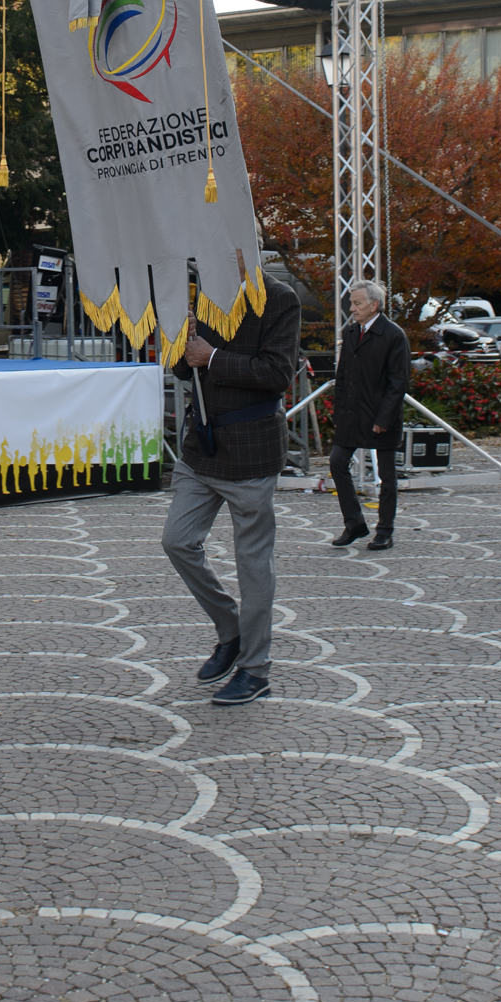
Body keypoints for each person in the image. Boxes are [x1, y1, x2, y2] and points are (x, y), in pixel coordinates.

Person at [166, 269, 303, 707]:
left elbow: (277, 373)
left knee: (253, 565)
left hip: (251, 451)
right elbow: (184, 369)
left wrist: (213, 357)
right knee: (177, 541)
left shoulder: (278, 297)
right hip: (202, 448)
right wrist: (179, 338)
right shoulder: (207, 294)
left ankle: (255, 669)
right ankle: (232, 630)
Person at [329, 281, 411, 550]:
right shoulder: (351, 332)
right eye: (351, 303)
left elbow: (398, 384)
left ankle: (385, 531)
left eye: (357, 303)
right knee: (337, 462)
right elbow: (342, 377)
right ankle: (354, 523)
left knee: (387, 477)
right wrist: (338, 413)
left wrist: (383, 419)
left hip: (381, 416)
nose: (352, 308)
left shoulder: (394, 335)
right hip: (351, 414)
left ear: (374, 305)